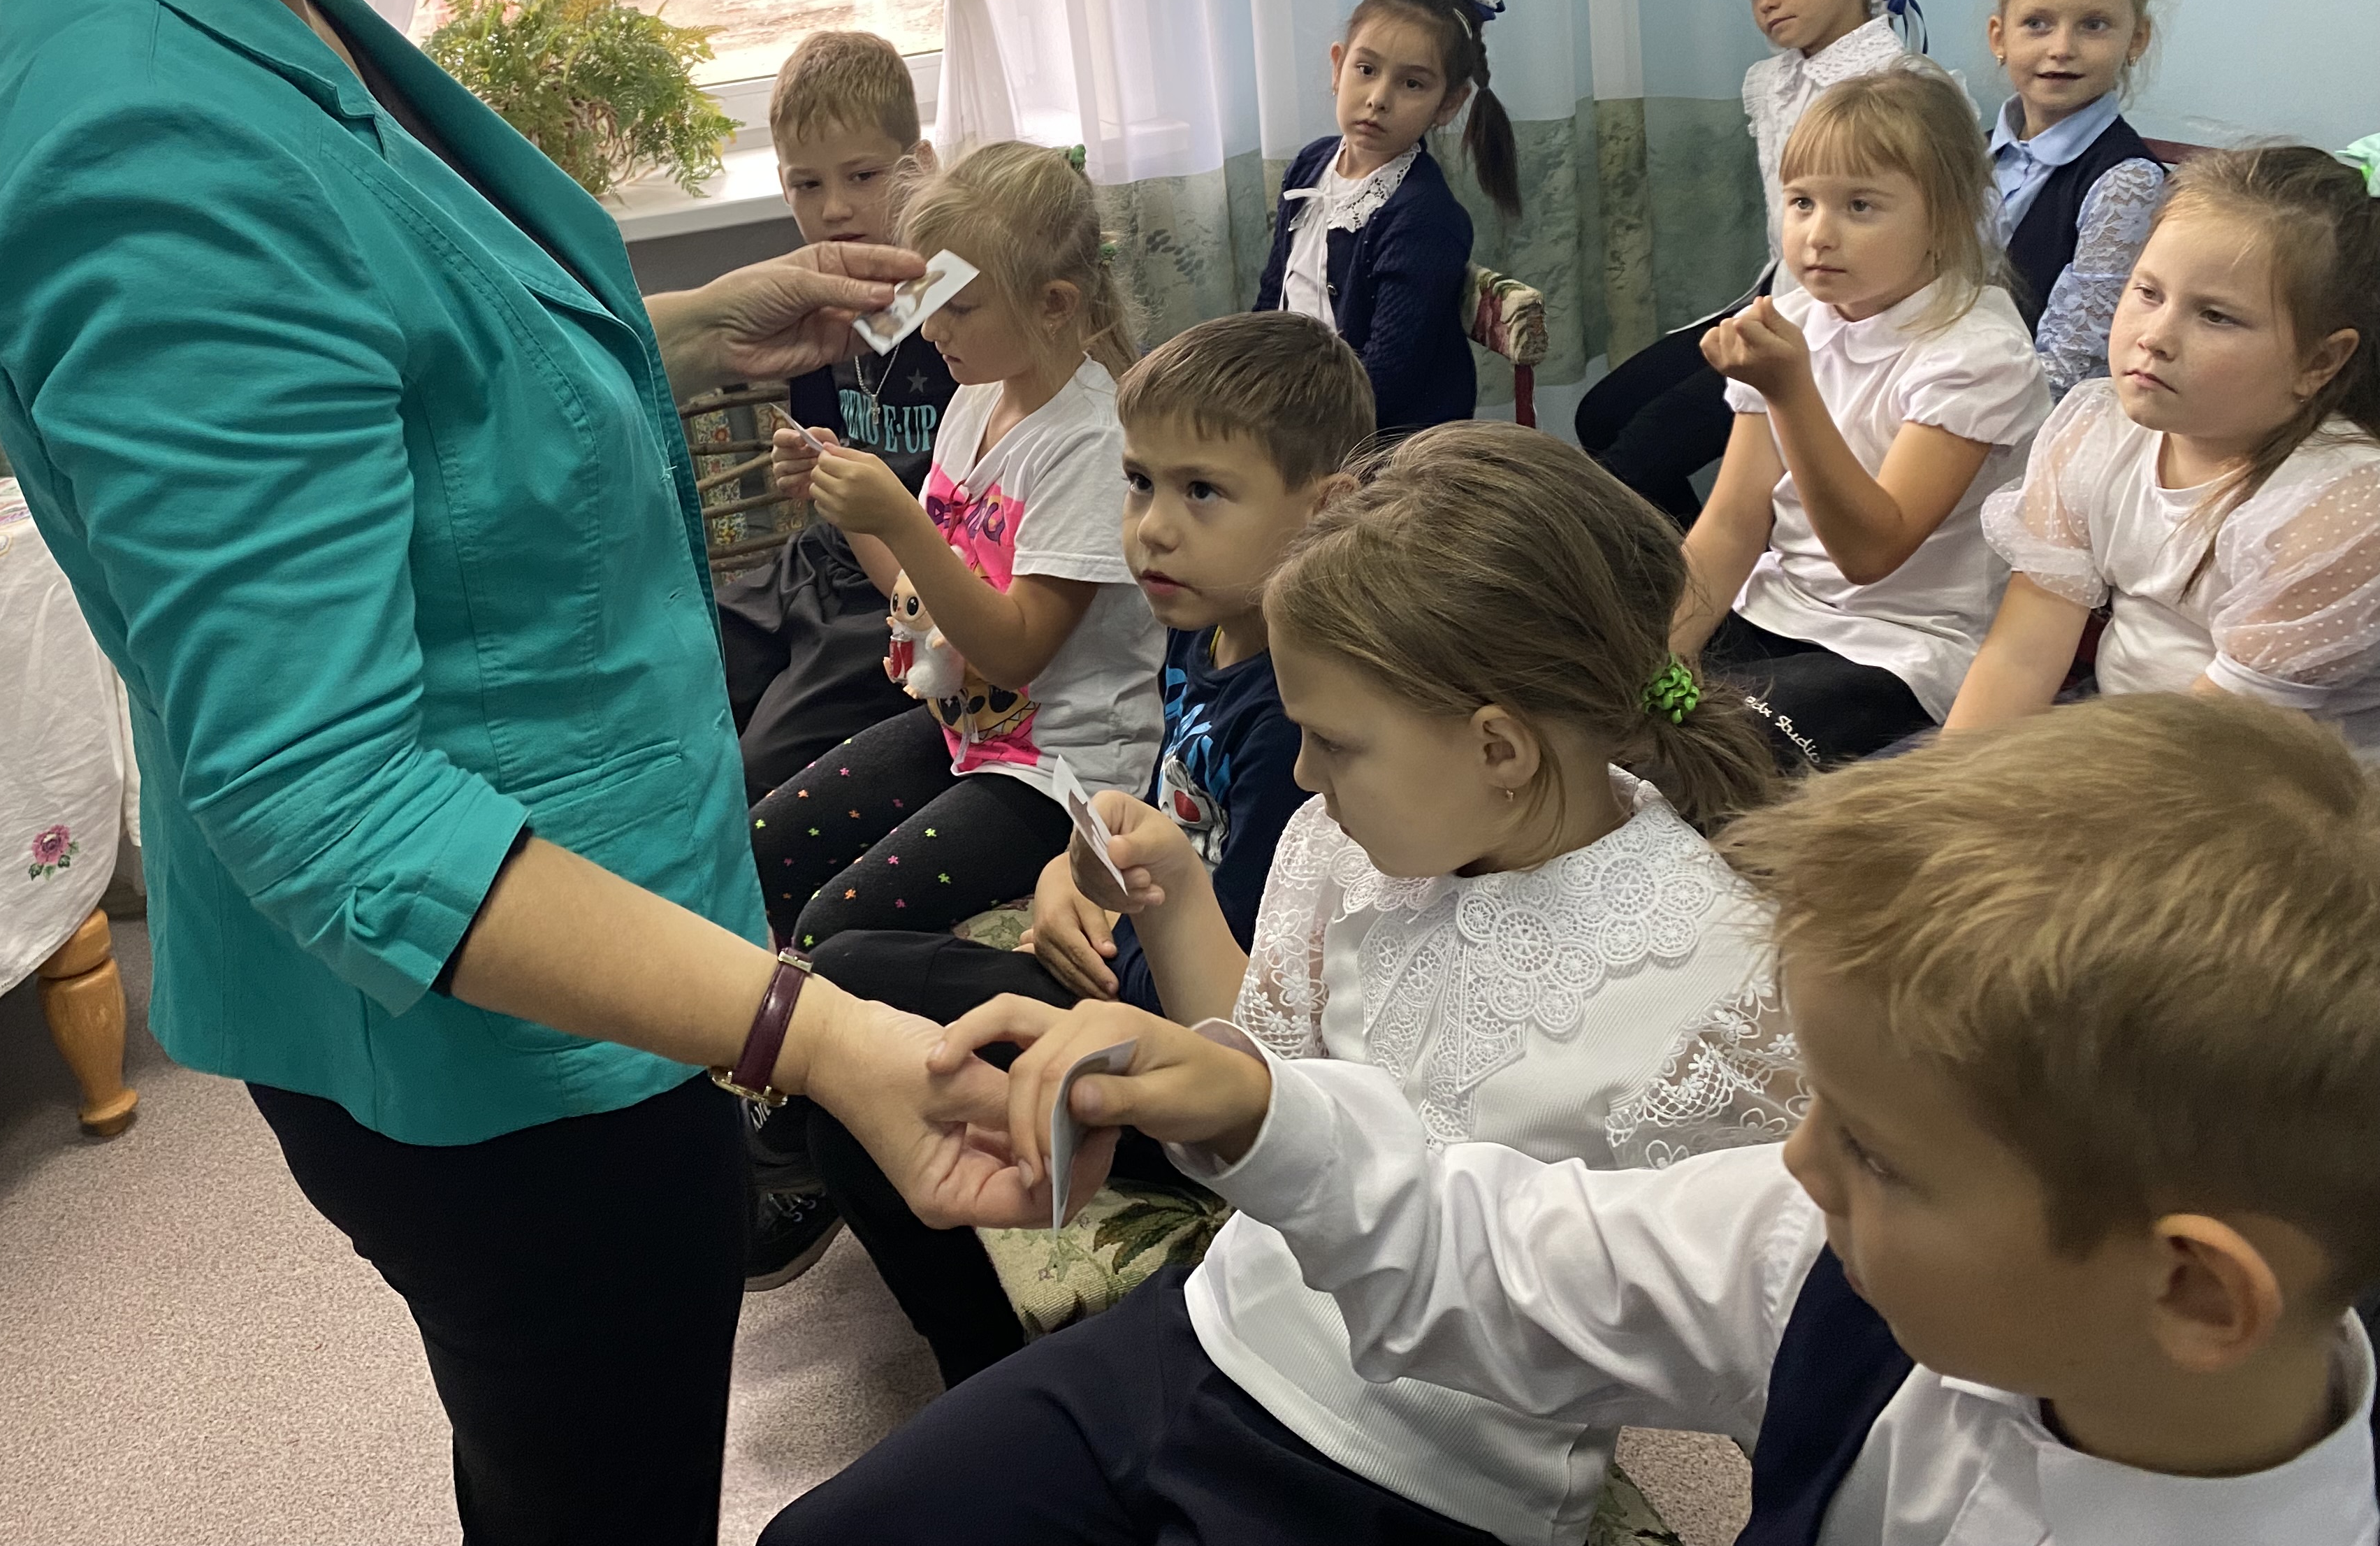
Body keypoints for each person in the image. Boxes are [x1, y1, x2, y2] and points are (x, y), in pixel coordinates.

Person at [0, 0, 1022, 1540]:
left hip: (584, 965)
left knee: (559, 1463)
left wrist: (681, 326)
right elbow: (331, 797)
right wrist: (808, 1036)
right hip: (516, 1053)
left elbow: (394, 369)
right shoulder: (145, 151)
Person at [966, 696, 2380, 1545]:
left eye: (1874, 1152)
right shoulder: (1824, 1255)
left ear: (2193, 1290)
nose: (1796, 1158)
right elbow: (1518, 1259)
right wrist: (1264, 1108)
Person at [766, 424, 1796, 1546]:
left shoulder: (1719, 981)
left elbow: (1767, 1349)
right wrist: (1173, 897)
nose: (1304, 774)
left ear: (1499, 749)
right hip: (1202, 1333)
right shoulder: (1350, 839)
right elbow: (1271, 1080)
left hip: (1410, 1478)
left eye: (1333, 744)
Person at [788, 312, 1372, 1371]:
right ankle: (978, 1356)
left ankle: (985, 1368)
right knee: (852, 1005)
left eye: (1203, 491)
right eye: (1139, 483)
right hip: (1121, 972)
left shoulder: (1300, 717)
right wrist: (1073, 871)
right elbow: (1156, 811)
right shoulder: (1208, 633)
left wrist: (1109, 916)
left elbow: (1250, 1013)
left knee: (854, 984)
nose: (1151, 529)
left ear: (1322, 510)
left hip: (1193, 1068)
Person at [753, 141, 1163, 953]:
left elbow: (1013, 651)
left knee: (835, 930)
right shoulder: (976, 399)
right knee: (761, 849)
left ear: (1054, 304)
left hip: (1062, 777)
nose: (931, 327)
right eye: (930, 295)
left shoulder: (1092, 442)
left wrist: (898, 516)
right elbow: (919, 593)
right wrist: (847, 496)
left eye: (960, 306)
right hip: (968, 737)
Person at [1676, 64, 2050, 768]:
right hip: (1775, 609)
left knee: (1723, 755)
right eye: (1802, 202)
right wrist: (1652, 664)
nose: (1819, 235)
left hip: (1900, 646)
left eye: (1860, 206)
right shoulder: (1793, 318)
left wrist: (1790, 391)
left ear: (1945, 217)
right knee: (1615, 701)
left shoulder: (1980, 354)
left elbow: (1871, 554)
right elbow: (1731, 523)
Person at [1950, 145, 2380, 750]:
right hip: (2121, 733)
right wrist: (1946, 783)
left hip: (2263, 780)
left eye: (2216, 316)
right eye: (2148, 292)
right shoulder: (2095, 431)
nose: (2154, 337)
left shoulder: (2340, 509)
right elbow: (2022, 652)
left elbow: (2208, 743)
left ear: (2320, 361)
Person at [1580, 0, 1917, 521]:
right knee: (1601, 416)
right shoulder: (1773, 82)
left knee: (1632, 460)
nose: (1767, 1)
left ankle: (1695, 569)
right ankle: (1689, 559)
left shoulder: (1902, 88)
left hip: (1841, 326)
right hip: (1775, 300)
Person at [718, 31, 955, 800]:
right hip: (820, 561)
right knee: (679, 671)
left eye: (863, 176)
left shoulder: (960, 297)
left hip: (909, 589)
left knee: (758, 771)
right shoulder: (813, 298)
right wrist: (806, 459)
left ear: (919, 164)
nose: (836, 208)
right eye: (807, 184)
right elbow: (821, 441)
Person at [1251, 0, 1522, 438]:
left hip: (1383, 436)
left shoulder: (1423, 217)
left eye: (1412, 84)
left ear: (1448, 104)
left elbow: (1388, 378)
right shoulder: (1310, 167)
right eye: (1367, 70)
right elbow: (1275, 296)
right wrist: (1247, 385)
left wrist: (1288, 429)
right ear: (1338, 68)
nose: (1378, 99)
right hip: (1300, 403)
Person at [1980, 0, 2168, 395]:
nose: (2062, 48)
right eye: (2037, 24)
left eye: (2094, 25)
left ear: (2136, 38)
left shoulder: (2126, 183)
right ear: (1999, 37)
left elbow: (2073, 367)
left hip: (2027, 416)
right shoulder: (1967, 154)